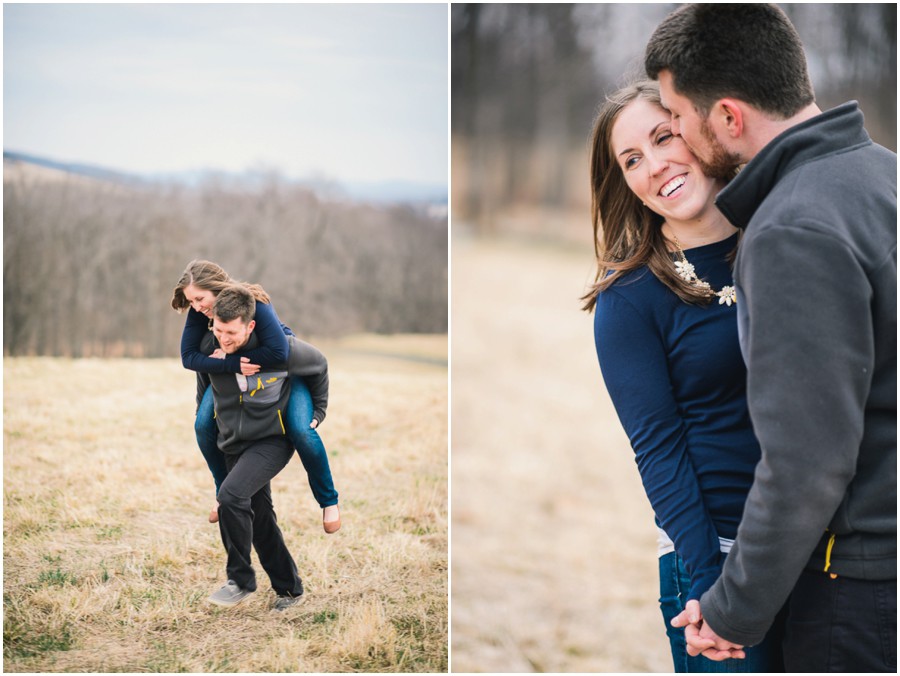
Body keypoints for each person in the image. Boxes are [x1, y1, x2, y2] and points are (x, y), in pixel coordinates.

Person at [644, 4, 897, 672]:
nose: (675, 135)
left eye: (678, 118)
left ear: (728, 116)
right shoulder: (884, 175)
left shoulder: (792, 229)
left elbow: (807, 462)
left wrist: (733, 611)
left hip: (859, 591)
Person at [583, 80, 784, 672]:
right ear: (626, 185)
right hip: (718, 555)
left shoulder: (786, 242)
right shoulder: (630, 300)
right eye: (632, 160)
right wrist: (708, 584)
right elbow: (658, 450)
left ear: (698, 132)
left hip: (822, 548)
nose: (656, 165)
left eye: (663, 136)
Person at [171, 260, 341, 534]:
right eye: (191, 301)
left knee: (301, 429)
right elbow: (190, 359)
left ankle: (329, 501)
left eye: (200, 298)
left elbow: (280, 354)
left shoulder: (254, 304)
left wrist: (319, 411)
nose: (197, 306)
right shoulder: (201, 314)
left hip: (284, 371)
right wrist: (229, 364)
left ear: (216, 288)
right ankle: (221, 490)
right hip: (235, 377)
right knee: (203, 425)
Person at [201, 284, 304, 609]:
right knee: (258, 515)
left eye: (231, 332)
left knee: (231, 497)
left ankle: (240, 580)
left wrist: (314, 415)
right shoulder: (210, 348)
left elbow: (317, 368)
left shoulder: (277, 349)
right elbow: (204, 393)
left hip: (272, 439)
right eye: (219, 330)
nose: (224, 338)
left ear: (250, 326)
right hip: (233, 441)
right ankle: (290, 589)